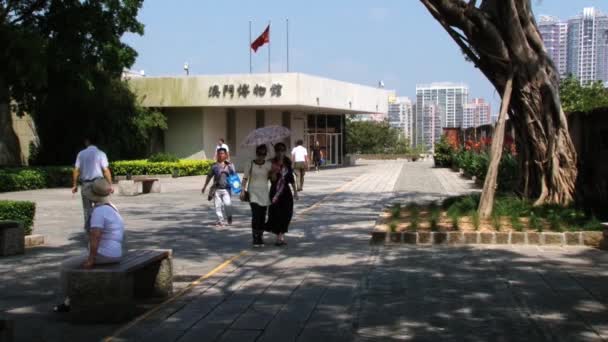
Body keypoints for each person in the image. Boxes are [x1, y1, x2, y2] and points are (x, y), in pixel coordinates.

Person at [54, 178, 125, 313]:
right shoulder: (112, 208)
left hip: (104, 254)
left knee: (67, 265)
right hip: (116, 253)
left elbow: (95, 236)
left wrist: (91, 259)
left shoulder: (98, 212)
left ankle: (69, 301)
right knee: (79, 262)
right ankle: (70, 300)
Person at [72, 137, 113, 230]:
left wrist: (74, 185)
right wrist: (110, 185)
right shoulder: (101, 154)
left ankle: (89, 233)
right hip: (99, 184)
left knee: (87, 210)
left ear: (87, 141)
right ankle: (101, 229)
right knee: (102, 207)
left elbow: (76, 170)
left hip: (86, 185)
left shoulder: (81, 154)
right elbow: (106, 170)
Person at [266, 143, 298, 246]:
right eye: (278, 150)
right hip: (275, 192)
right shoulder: (271, 163)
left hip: (286, 192)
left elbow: (291, 178)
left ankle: (282, 233)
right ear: (275, 151)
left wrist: (295, 192)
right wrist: (274, 172)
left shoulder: (287, 162)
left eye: (282, 150)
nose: (280, 152)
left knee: (287, 213)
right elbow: (271, 179)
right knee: (276, 214)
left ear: (285, 151)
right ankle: (279, 237)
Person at [241, 145, 272, 247]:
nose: (261, 156)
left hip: (264, 193)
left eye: (263, 154)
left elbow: (273, 177)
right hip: (253, 192)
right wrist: (242, 190)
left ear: (266, 154)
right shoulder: (250, 163)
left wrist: (274, 170)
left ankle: (260, 236)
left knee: (262, 216)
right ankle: (255, 237)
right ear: (256, 153)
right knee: (256, 215)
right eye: (259, 153)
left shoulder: (268, 164)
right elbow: (245, 178)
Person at [202, 148, 235, 227]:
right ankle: (220, 221)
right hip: (217, 189)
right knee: (217, 206)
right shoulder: (214, 166)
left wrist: (238, 188)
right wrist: (204, 186)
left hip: (227, 189)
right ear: (217, 155)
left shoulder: (229, 165)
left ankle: (229, 216)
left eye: (222, 153)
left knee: (227, 204)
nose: (221, 155)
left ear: (226, 155)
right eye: (219, 153)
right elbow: (209, 176)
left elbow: (234, 176)